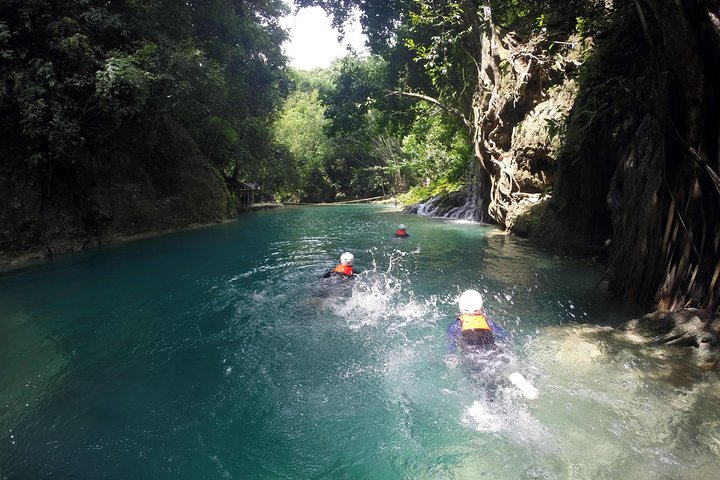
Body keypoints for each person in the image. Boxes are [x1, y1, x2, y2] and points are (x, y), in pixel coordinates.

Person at [446, 289, 539, 400]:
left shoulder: (457, 325)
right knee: (501, 367)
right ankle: (515, 377)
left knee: (481, 382)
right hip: (494, 351)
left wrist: (451, 355)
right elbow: (505, 336)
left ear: (461, 308)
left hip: (474, 356)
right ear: (481, 308)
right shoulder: (487, 321)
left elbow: (451, 343)